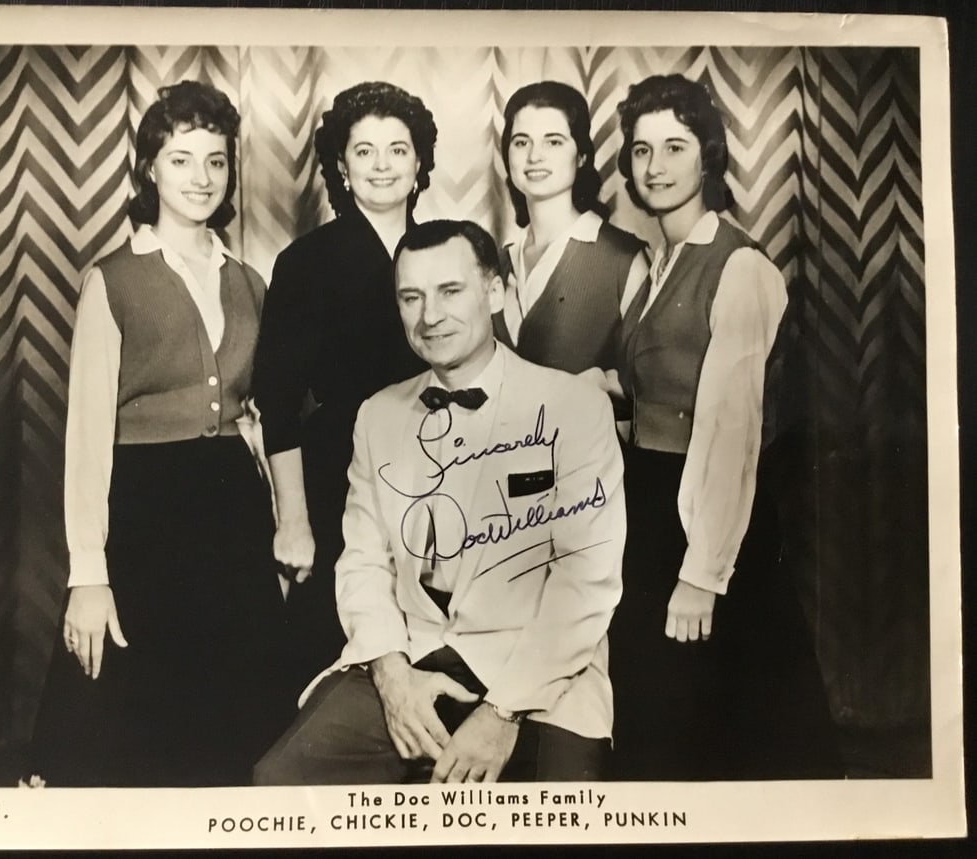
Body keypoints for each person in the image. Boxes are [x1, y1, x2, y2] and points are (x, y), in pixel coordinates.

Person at [254, 219, 626, 786]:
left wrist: (501, 714)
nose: (430, 316)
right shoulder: (377, 415)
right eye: (412, 297)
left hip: (542, 677)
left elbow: (586, 584)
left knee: (557, 824)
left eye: (450, 292)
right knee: (280, 782)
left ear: (495, 292)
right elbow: (362, 564)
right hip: (411, 656)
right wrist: (392, 677)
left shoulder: (573, 407)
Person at [27, 81, 291, 786]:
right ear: (149, 169)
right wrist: (89, 572)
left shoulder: (250, 281)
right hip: (146, 518)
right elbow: (86, 437)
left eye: (215, 161)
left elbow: (256, 420)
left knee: (231, 733)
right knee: (128, 735)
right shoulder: (111, 281)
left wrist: (277, 525)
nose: (201, 178)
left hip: (231, 516)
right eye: (181, 160)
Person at [609, 73, 841, 780]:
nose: (656, 166)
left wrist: (705, 573)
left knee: (733, 722)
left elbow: (730, 429)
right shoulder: (652, 263)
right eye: (642, 150)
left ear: (707, 156)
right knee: (661, 709)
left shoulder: (740, 267)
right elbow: (651, 381)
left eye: (675, 147)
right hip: (650, 502)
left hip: (710, 512)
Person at [252, 82, 437, 701]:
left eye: (397, 150)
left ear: (419, 166)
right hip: (341, 480)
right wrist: (295, 522)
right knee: (334, 662)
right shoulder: (305, 262)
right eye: (364, 151)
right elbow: (276, 404)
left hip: (441, 469)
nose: (382, 165)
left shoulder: (445, 253)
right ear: (340, 166)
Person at [493, 81, 643, 386]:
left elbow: (649, 383)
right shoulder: (499, 261)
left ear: (582, 157)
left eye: (554, 141)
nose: (534, 156)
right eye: (521, 142)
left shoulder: (623, 259)